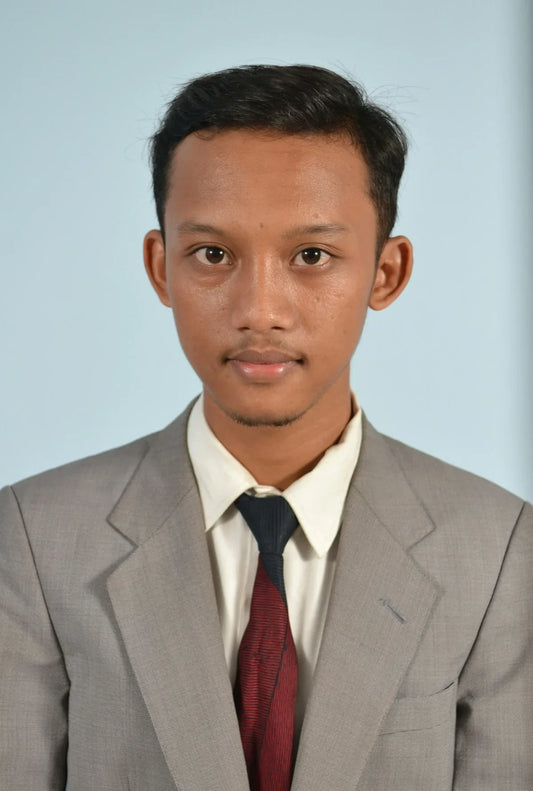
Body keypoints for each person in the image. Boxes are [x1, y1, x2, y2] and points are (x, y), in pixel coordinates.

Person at [0, 64, 531, 791]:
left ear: (385, 272)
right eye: (212, 254)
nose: (259, 309)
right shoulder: (33, 537)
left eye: (311, 256)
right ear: (161, 267)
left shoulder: (499, 550)